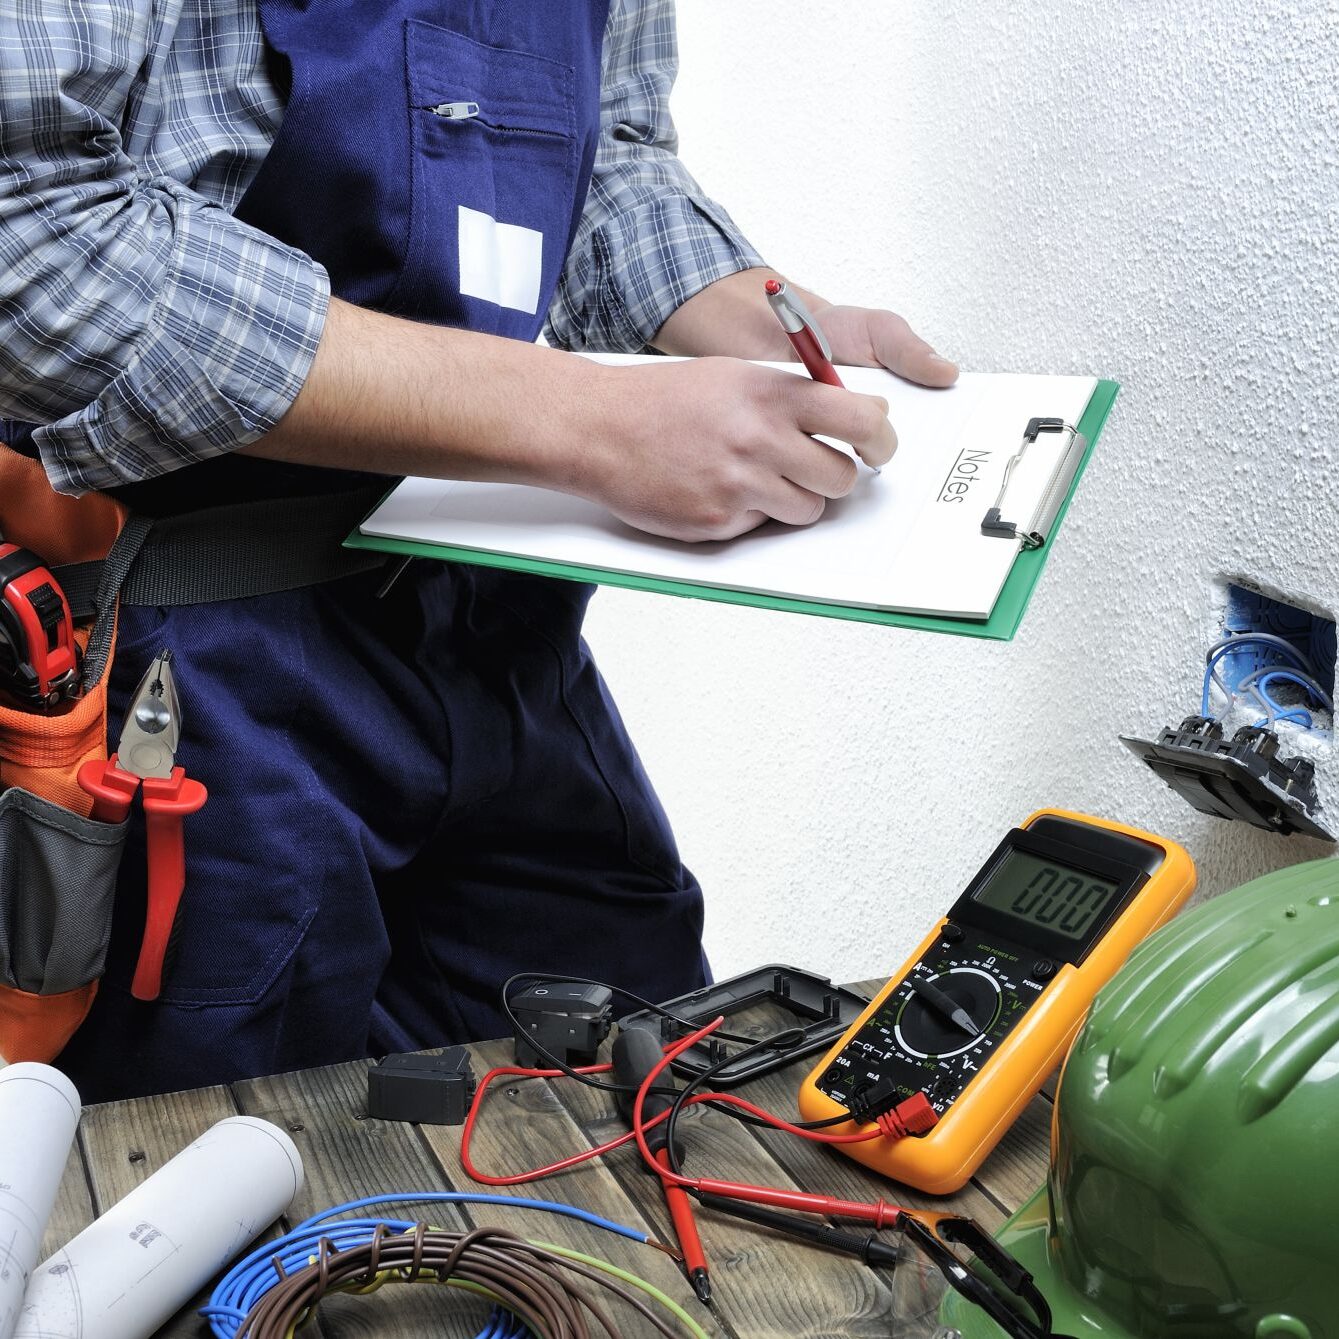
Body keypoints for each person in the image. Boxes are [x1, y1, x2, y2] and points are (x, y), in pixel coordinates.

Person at [0, 0, 958, 1102]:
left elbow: (609, 157)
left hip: (490, 626)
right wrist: (586, 424)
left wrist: (732, 306)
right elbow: (30, 236)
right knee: (214, 1171)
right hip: (183, 664)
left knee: (638, 1102)